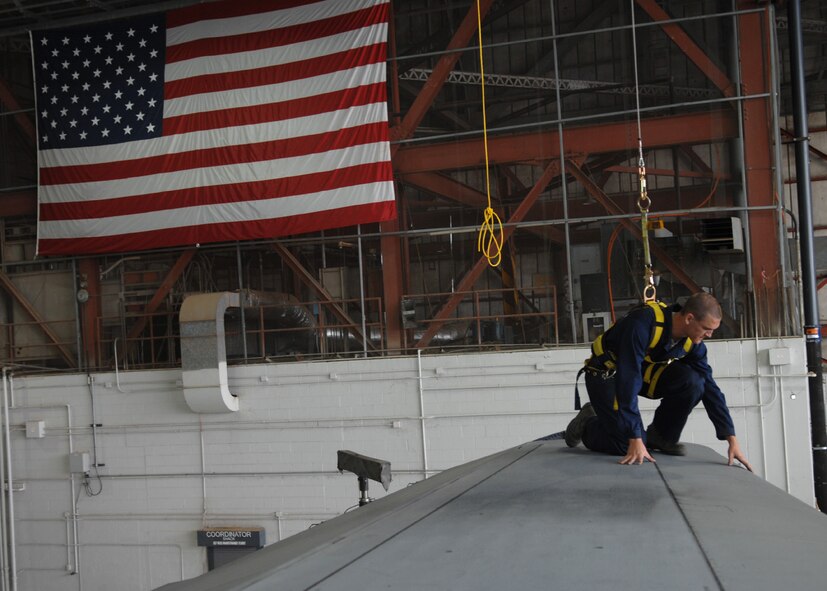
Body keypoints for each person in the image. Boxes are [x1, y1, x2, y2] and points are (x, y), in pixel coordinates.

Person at [564, 292, 752, 470]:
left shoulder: (693, 344)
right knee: (625, 443)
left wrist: (731, 438)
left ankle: (661, 437)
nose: (709, 336)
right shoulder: (641, 324)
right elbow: (628, 380)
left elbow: (710, 388)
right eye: (706, 329)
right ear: (689, 318)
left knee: (694, 381)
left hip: (637, 372)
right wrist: (635, 436)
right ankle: (588, 422)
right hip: (606, 375)